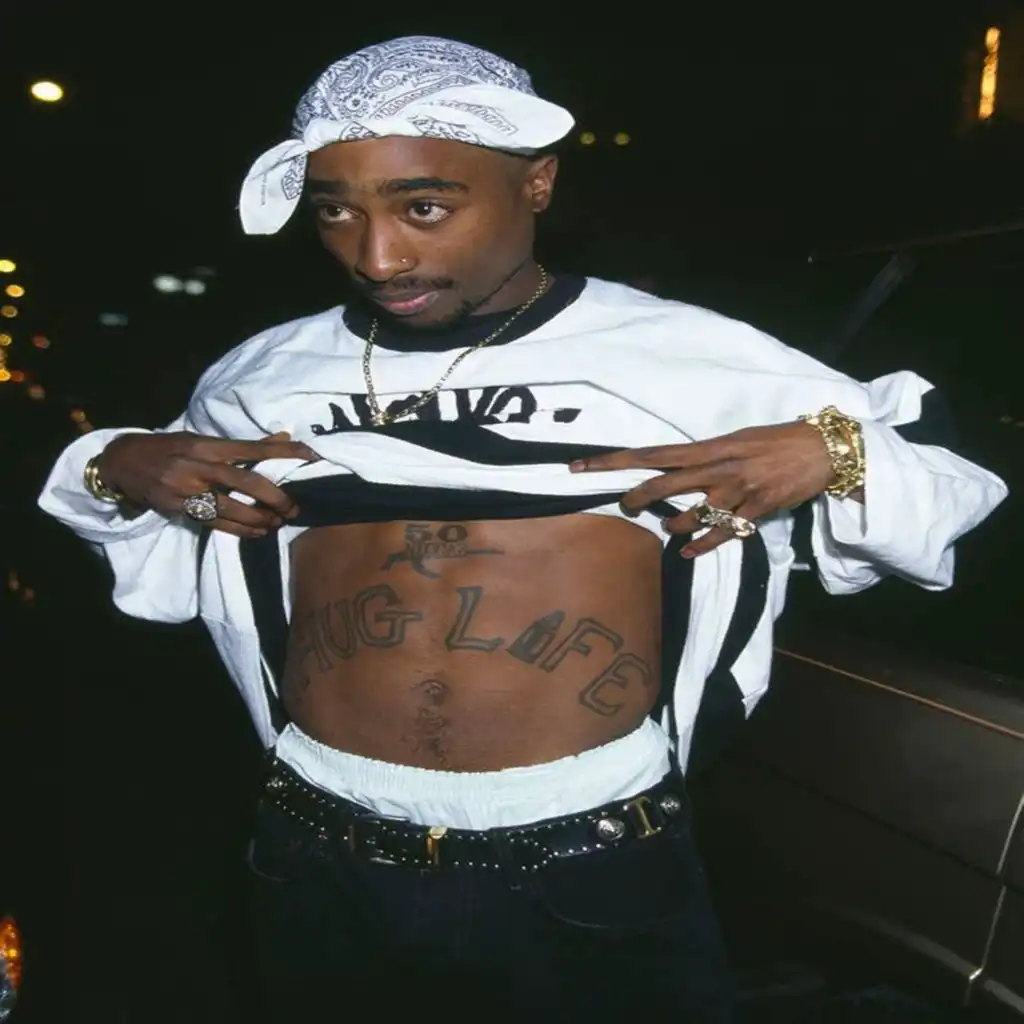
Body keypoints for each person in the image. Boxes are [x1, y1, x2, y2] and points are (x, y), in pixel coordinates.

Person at [39, 35, 1007, 1021]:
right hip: (315, 845)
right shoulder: (263, 373)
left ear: (536, 182)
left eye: (424, 207)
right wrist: (114, 464)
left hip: (591, 859)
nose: (377, 257)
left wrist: (831, 450)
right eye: (335, 211)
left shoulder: (687, 353)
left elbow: (945, 493)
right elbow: (164, 550)